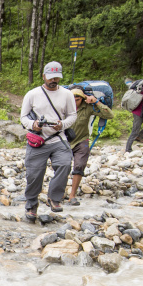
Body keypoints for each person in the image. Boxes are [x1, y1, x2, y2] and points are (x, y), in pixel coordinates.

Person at [19, 61, 77, 221]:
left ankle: (54, 198)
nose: (53, 81)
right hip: (38, 140)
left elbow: (73, 115)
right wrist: (34, 125)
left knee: (65, 164)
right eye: (50, 77)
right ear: (43, 76)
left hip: (58, 138)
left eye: (56, 78)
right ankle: (31, 205)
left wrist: (62, 125)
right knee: (34, 174)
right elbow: (23, 117)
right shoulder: (32, 94)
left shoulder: (67, 94)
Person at [66, 86, 114, 204]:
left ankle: (72, 196)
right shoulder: (63, 106)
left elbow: (109, 115)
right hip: (64, 141)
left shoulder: (88, 107)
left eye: (78, 99)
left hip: (81, 141)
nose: (75, 102)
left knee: (79, 166)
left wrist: (96, 102)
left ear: (83, 98)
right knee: (62, 167)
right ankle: (58, 193)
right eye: (73, 99)